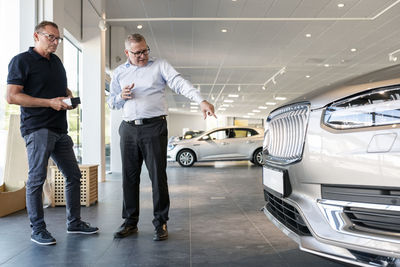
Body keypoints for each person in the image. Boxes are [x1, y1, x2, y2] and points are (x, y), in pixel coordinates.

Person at [108, 33, 216, 241]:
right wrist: (121, 96)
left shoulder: (159, 66)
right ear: (127, 53)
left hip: (154, 127)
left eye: (145, 50)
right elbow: (112, 103)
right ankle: (130, 222)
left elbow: (179, 83)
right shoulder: (119, 73)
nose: (142, 56)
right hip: (128, 129)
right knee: (129, 178)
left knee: (158, 177)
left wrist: (201, 100)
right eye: (137, 52)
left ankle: (161, 223)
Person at [6, 21, 99, 246]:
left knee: (74, 176)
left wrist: (68, 100)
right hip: (37, 128)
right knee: (37, 180)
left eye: (58, 38)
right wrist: (49, 103)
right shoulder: (21, 61)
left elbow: (61, 91)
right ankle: (37, 230)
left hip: (60, 129)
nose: (55, 42)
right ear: (36, 36)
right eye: (51, 37)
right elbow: (12, 96)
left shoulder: (56, 62)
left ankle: (74, 223)